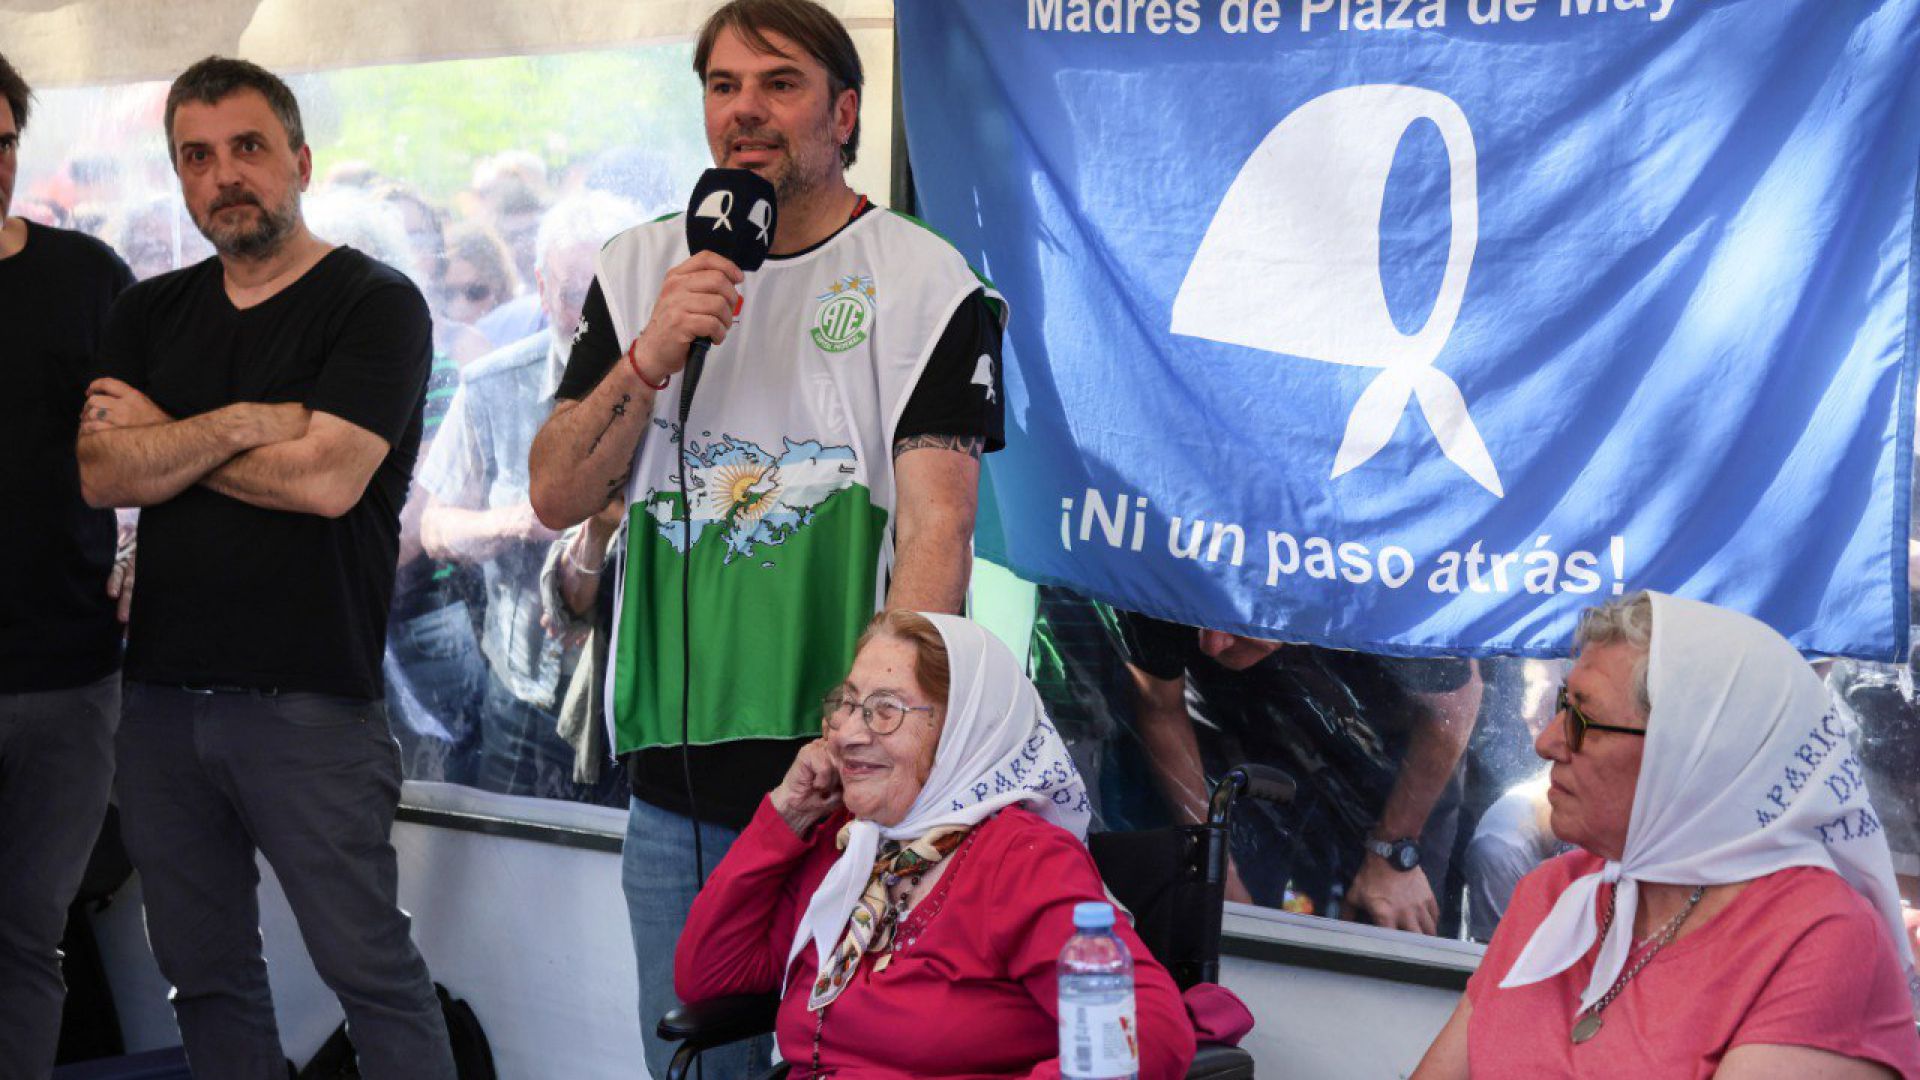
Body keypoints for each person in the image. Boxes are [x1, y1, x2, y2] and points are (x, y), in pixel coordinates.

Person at [526, 1, 1004, 1072]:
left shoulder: (927, 283)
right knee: (693, 1062)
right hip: (669, 787)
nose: (744, 110)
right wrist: (648, 352)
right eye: (722, 85)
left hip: (840, 785)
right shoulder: (638, 265)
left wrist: (873, 745)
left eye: (778, 84)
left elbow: (940, 532)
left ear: (843, 111)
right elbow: (556, 493)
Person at [73, 56, 456, 1079]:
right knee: (203, 979)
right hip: (156, 705)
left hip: (309, 704)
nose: (224, 175)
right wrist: (245, 422)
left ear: (301, 159)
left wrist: (175, 444)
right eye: (196, 157)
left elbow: (328, 480)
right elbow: (106, 466)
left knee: (369, 971)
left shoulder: (376, 305)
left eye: (248, 147)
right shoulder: (149, 313)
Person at [1413, 592, 1920, 1079]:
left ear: (1691, 753)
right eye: (1562, 706)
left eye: (1584, 718)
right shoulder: (1553, 894)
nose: (1548, 742)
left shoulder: (1819, 936)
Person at [677, 611, 1196, 1078]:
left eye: (885, 711)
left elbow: (1149, 1036)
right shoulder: (852, 845)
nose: (847, 735)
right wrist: (788, 813)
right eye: (848, 704)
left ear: (961, 732)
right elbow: (711, 979)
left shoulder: (1021, 858)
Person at [0, 51, 136, 1079]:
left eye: (0, 145)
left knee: (26, 939)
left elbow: (155, 439)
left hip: (65, 671)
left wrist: (145, 544)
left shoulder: (87, 278)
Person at [420, 192, 635, 802]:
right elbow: (436, 527)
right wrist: (522, 520)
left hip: (642, 704)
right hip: (525, 700)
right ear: (541, 290)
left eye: (612, 296)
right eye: (574, 295)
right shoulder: (494, 385)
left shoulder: (682, 394)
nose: (594, 318)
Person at [1117, 611, 1481, 932]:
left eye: (1237, 620)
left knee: (1391, 921)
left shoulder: (1382, 575)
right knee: (1227, 920)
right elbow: (1159, 704)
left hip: (1398, 749)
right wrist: (1213, 865)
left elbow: (1453, 709)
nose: (1211, 645)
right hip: (1241, 728)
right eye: (1198, 620)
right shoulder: (1166, 574)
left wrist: (1394, 850)